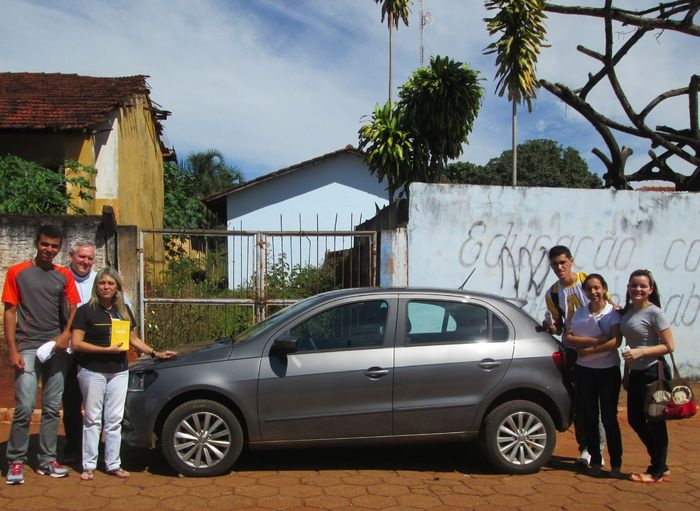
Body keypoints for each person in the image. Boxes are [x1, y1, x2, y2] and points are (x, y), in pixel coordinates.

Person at [71, 267, 177, 481]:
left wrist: (155, 352)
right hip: (92, 371)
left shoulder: (123, 311)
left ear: (117, 286)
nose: (106, 287)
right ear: (96, 286)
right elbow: (77, 343)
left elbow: (133, 339)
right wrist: (104, 350)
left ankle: (113, 464)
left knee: (114, 419)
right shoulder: (85, 311)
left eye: (110, 283)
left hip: (118, 371)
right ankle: (89, 465)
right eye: (102, 283)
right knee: (92, 419)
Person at [3, 225, 80, 484]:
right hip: (26, 347)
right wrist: (12, 349)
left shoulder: (63, 276)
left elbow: (73, 309)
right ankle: (16, 461)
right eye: (45, 244)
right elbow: (10, 312)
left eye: (54, 246)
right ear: (37, 244)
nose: (49, 250)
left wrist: (64, 336)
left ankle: (47, 460)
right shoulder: (17, 273)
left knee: (50, 407)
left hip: (56, 349)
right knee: (24, 407)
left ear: (60, 249)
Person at [542, 245, 604, 467]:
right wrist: (550, 326)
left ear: (571, 261)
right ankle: (587, 448)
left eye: (562, 263)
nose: (559, 268)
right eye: (554, 264)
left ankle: (600, 448)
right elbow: (558, 326)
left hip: (600, 350)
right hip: (573, 352)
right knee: (580, 401)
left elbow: (607, 309)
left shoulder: (588, 281)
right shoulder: (553, 294)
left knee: (598, 403)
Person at [620, 269, 675, 483]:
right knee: (634, 419)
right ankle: (661, 464)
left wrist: (642, 352)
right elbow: (629, 346)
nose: (638, 289)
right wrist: (626, 373)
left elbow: (670, 345)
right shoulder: (628, 312)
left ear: (650, 289)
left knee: (655, 421)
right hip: (636, 373)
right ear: (628, 287)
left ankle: (657, 470)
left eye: (643, 286)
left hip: (654, 372)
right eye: (634, 285)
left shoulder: (655, 313)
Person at [566, 274, 623, 478]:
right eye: (589, 289)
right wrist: (593, 340)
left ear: (604, 288)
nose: (593, 292)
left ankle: (616, 464)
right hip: (585, 372)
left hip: (608, 371)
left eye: (597, 288)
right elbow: (569, 337)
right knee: (589, 416)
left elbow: (615, 342)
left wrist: (587, 350)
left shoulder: (613, 313)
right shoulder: (579, 313)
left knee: (609, 418)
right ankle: (596, 460)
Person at [62, 240, 97, 463]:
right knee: (71, 400)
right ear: (71, 256)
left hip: (94, 350)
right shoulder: (60, 278)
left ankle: (96, 449)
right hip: (67, 350)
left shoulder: (99, 281)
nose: (85, 261)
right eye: (81, 257)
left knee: (95, 402)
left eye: (89, 258)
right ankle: (74, 447)